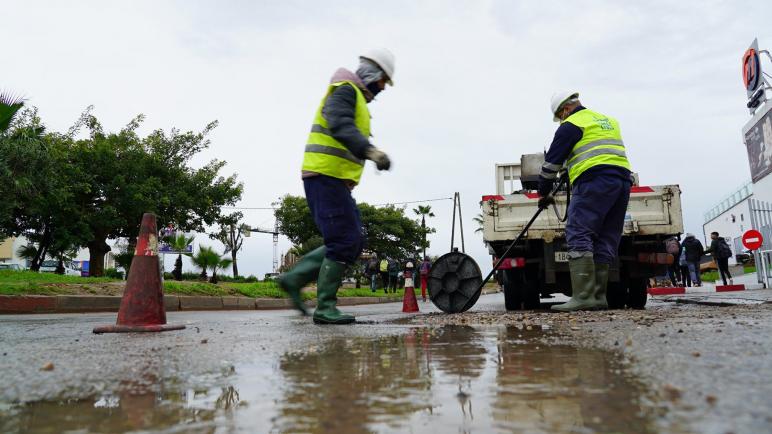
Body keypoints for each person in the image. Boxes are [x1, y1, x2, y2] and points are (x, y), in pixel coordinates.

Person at [277, 48, 396, 324]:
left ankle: (294, 279)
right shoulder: (345, 91)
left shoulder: (355, 98)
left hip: (332, 180)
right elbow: (339, 124)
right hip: (324, 176)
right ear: (373, 75)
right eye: (382, 82)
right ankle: (325, 307)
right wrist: (370, 151)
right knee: (344, 240)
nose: (381, 89)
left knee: (352, 242)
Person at [537, 91, 632, 312]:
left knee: (579, 232)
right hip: (622, 182)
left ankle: (583, 296)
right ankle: (598, 297)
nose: (562, 120)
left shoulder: (571, 125)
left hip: (593, 181)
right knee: (607, 237)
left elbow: (551, 164)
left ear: (566, 110)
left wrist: (544, 192)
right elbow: (598, 153)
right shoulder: (608, 121)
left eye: (561, 116)